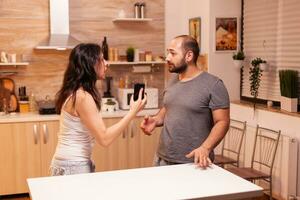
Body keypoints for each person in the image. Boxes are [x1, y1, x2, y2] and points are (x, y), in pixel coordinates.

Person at [50, 43, 146, 176]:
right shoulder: (83, 96)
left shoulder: (75, 92)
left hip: (67, 163)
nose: (107, 63)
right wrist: (132, 112)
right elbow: (104, 139)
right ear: (90, 64)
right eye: (102, 59)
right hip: (73, 165)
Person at [140, 35, 230, 168]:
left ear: (189, 56)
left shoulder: (214, 84)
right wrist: (156, 119)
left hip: (194, 161)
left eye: (172, 53)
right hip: (162, 158)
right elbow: (169, 107)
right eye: (167, 52)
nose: (167, 58)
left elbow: (223, 122)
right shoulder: (173, 80)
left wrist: (205, 148)